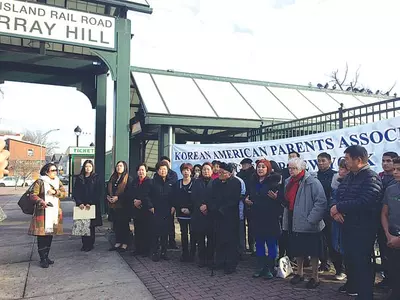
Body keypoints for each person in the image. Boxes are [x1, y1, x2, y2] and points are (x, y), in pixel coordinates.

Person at [330, 145, 382, 299]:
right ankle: (353, 286)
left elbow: (366, 201)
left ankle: (365, 294)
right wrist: (334, 207)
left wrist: (339, 207)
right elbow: (337, 194)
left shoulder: (371, 177)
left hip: (363, 227)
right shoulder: (349, 176)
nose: (345, 162)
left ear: (358, 160)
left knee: (362, 261)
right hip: (347, 225)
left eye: (347, 159)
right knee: (351, 259)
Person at [283, 157, 327, 289]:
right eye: (289, 168)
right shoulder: (288, 181)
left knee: (313, 251)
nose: (291, 170)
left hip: (309, 221)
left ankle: (315, 276)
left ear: (302, 168)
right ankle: (299, 273)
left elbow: (321, 202)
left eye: (294, 168)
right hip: (293, 218)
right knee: (298, 249)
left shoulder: (312, 182)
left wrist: (311, 219)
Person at [246, 159, 282, 279]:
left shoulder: (274, 182)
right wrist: (246, 201)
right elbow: (248, 196)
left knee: (271, 243)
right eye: (258, 167)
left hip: (270, 217)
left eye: (263, 167)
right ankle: (260, 266)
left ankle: (270, 267)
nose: (260, 169)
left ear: (268, 169)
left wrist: (277, 198)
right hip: (256, 216)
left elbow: (280, 200)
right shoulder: (253, 182)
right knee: (259, 243)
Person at [28, 163, 67, 268]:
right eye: (52, 170)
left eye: (56, 170)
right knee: (42, 236)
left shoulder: (57, 181)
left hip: (54, 212)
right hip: (42, 212)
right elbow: (32, 195)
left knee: (49, 235)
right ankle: (42, 259)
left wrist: (55, 192)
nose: (55, 172)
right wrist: (41, 201)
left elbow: (64, 193)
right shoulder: (40, 181)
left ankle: (46, 256)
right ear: (46, 171)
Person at [210, 162, 241, 274]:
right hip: (218, 216)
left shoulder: (236, 183)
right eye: (219, 172)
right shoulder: (216, 183)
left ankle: (230, 264)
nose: (220, 175)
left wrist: (222, 209)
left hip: (230, 216)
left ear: (229, 173)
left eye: (223, 173)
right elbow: (212, 197)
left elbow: (234, 199)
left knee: (231, 241)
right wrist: (214, 208)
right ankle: (220, 261)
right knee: (219, 240)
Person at [376, 151, 398, 289]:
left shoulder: (394, 182)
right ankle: (388, 278)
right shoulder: (379, 177)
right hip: (382, 222)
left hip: (395, 224)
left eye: (389, 161)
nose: (385, 164)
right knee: (385, 252)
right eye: (383, 161)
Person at [73, 160, 103, 252]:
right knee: (83, 225)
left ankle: (90, 244)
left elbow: (98, 192)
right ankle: (84, 244)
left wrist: (90, 202)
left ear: (92, 167)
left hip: (91, 205)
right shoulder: (79, 178)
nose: (88, 168)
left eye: (90, 166)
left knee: (91, 226)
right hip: (81, 205)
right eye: (86, 166)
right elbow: (75, 192)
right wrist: (79, 202)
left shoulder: (96, 178)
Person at [381, 156, 400, 300]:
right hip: (392, 237)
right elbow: (384, 213)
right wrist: (388, 235)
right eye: (394, 169)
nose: (395, 172)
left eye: (399, 170)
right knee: (394, 270)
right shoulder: (390, 189)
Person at [149, 161, 175, 262]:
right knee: (155, 232)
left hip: (167, 210)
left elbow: (174, 196)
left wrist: (173, 206)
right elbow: (147, 196)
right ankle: (155, 252)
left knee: (165, 232)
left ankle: (164, 252)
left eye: (165, 169)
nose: (163, 171)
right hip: (156, 210)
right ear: (157, 171)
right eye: (161, 169)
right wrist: (150, 206)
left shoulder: (171, 182)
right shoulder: (153, 182)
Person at [191, 162, 215, 268]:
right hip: (199, 214)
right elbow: (193, 197)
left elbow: (216, 198)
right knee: (200, 238)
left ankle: (210, 258)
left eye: (208, 169)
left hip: (210, 214)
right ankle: (201, 258)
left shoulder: (215, 183)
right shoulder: (196, 182)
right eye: (204, 169)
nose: (206, 171)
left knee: (211, 238)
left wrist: (207, 206)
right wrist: (200, 206)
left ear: (212, 170)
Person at [316, 152, 337, 273]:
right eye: (318, 160)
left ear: (329, 161)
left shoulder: (335, 176)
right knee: (320, 240)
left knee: (331, 240)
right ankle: (323, 262)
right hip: (318, 212)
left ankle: (338, 266)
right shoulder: (314, 176)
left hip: (331, 213)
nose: (320, 163)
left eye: (323, 160)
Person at [330, 159, 350, 281]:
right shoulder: (335, 181)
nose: (340, 171)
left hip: (347, 219)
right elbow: (332, 198)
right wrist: (334, 210)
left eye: (343, 169)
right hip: (335, 217)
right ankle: (340, 268)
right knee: (335, 244)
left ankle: (347, 272)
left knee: (346, 246)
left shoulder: (353, 183)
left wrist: (340, 209)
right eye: (340, 168)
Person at [107, 161, 133, 252]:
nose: (119, 167)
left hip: (124, 206)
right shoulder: (113, 178)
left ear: (124, 167)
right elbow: (108, 189)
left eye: (121, 166)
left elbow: (129, 193)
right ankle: (118, 242)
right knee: (116, 225)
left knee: (124, 225)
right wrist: (109, 197)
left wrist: (118, 198)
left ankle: (125, 243)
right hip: (113, 206)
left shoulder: (128, 179)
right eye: (117, 166)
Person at [174, 163, 195, 262]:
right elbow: (175, 198)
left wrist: (190, 209)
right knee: (184, 234)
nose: (186, 172)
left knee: (193, 234)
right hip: (181, 214)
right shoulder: (177, 184)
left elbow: (196, 198)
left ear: (191, 171)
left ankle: (192, 254)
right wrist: (180, 208)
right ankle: (185, 253)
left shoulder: (195, 183)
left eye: (188, 170)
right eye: (184, 170)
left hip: (192, 214)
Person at [155, 156, 178, 249]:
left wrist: (174, 205)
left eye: (166, 164)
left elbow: (175, 191)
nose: (164, 168)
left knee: (170, 225)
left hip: (169, 206)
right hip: (158, 207)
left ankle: (171, 242)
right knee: (159, 227)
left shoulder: (173, 174)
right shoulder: (156, 177)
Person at [131, 163, 152, 257]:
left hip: (146, 210)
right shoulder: (134, 182)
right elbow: (131, 193)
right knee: (137, 230)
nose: (141, 172)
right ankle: (138, 249)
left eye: (143, 170)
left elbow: (149, 195)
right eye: (139, 170)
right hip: (136, 210)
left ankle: (146, 250)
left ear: (146, 171)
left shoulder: (149, 182)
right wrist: (134, 201)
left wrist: (141, 201)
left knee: (146, 231)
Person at [237, 158, 256, 255]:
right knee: (241, 226)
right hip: (241, 202)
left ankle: (252, 246)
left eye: (246, 164)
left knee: (252, 226)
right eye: (243, 164)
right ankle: (242, 246)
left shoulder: (254, 174)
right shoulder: (239, 175)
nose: (244, 166)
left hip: (251, 202)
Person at [229, 163, 246, 260]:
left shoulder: (240, 181)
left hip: (238, 211)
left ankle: (240, 252)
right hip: (227, 213)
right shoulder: (223, 181)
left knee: (239, 233)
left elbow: (243, 195)